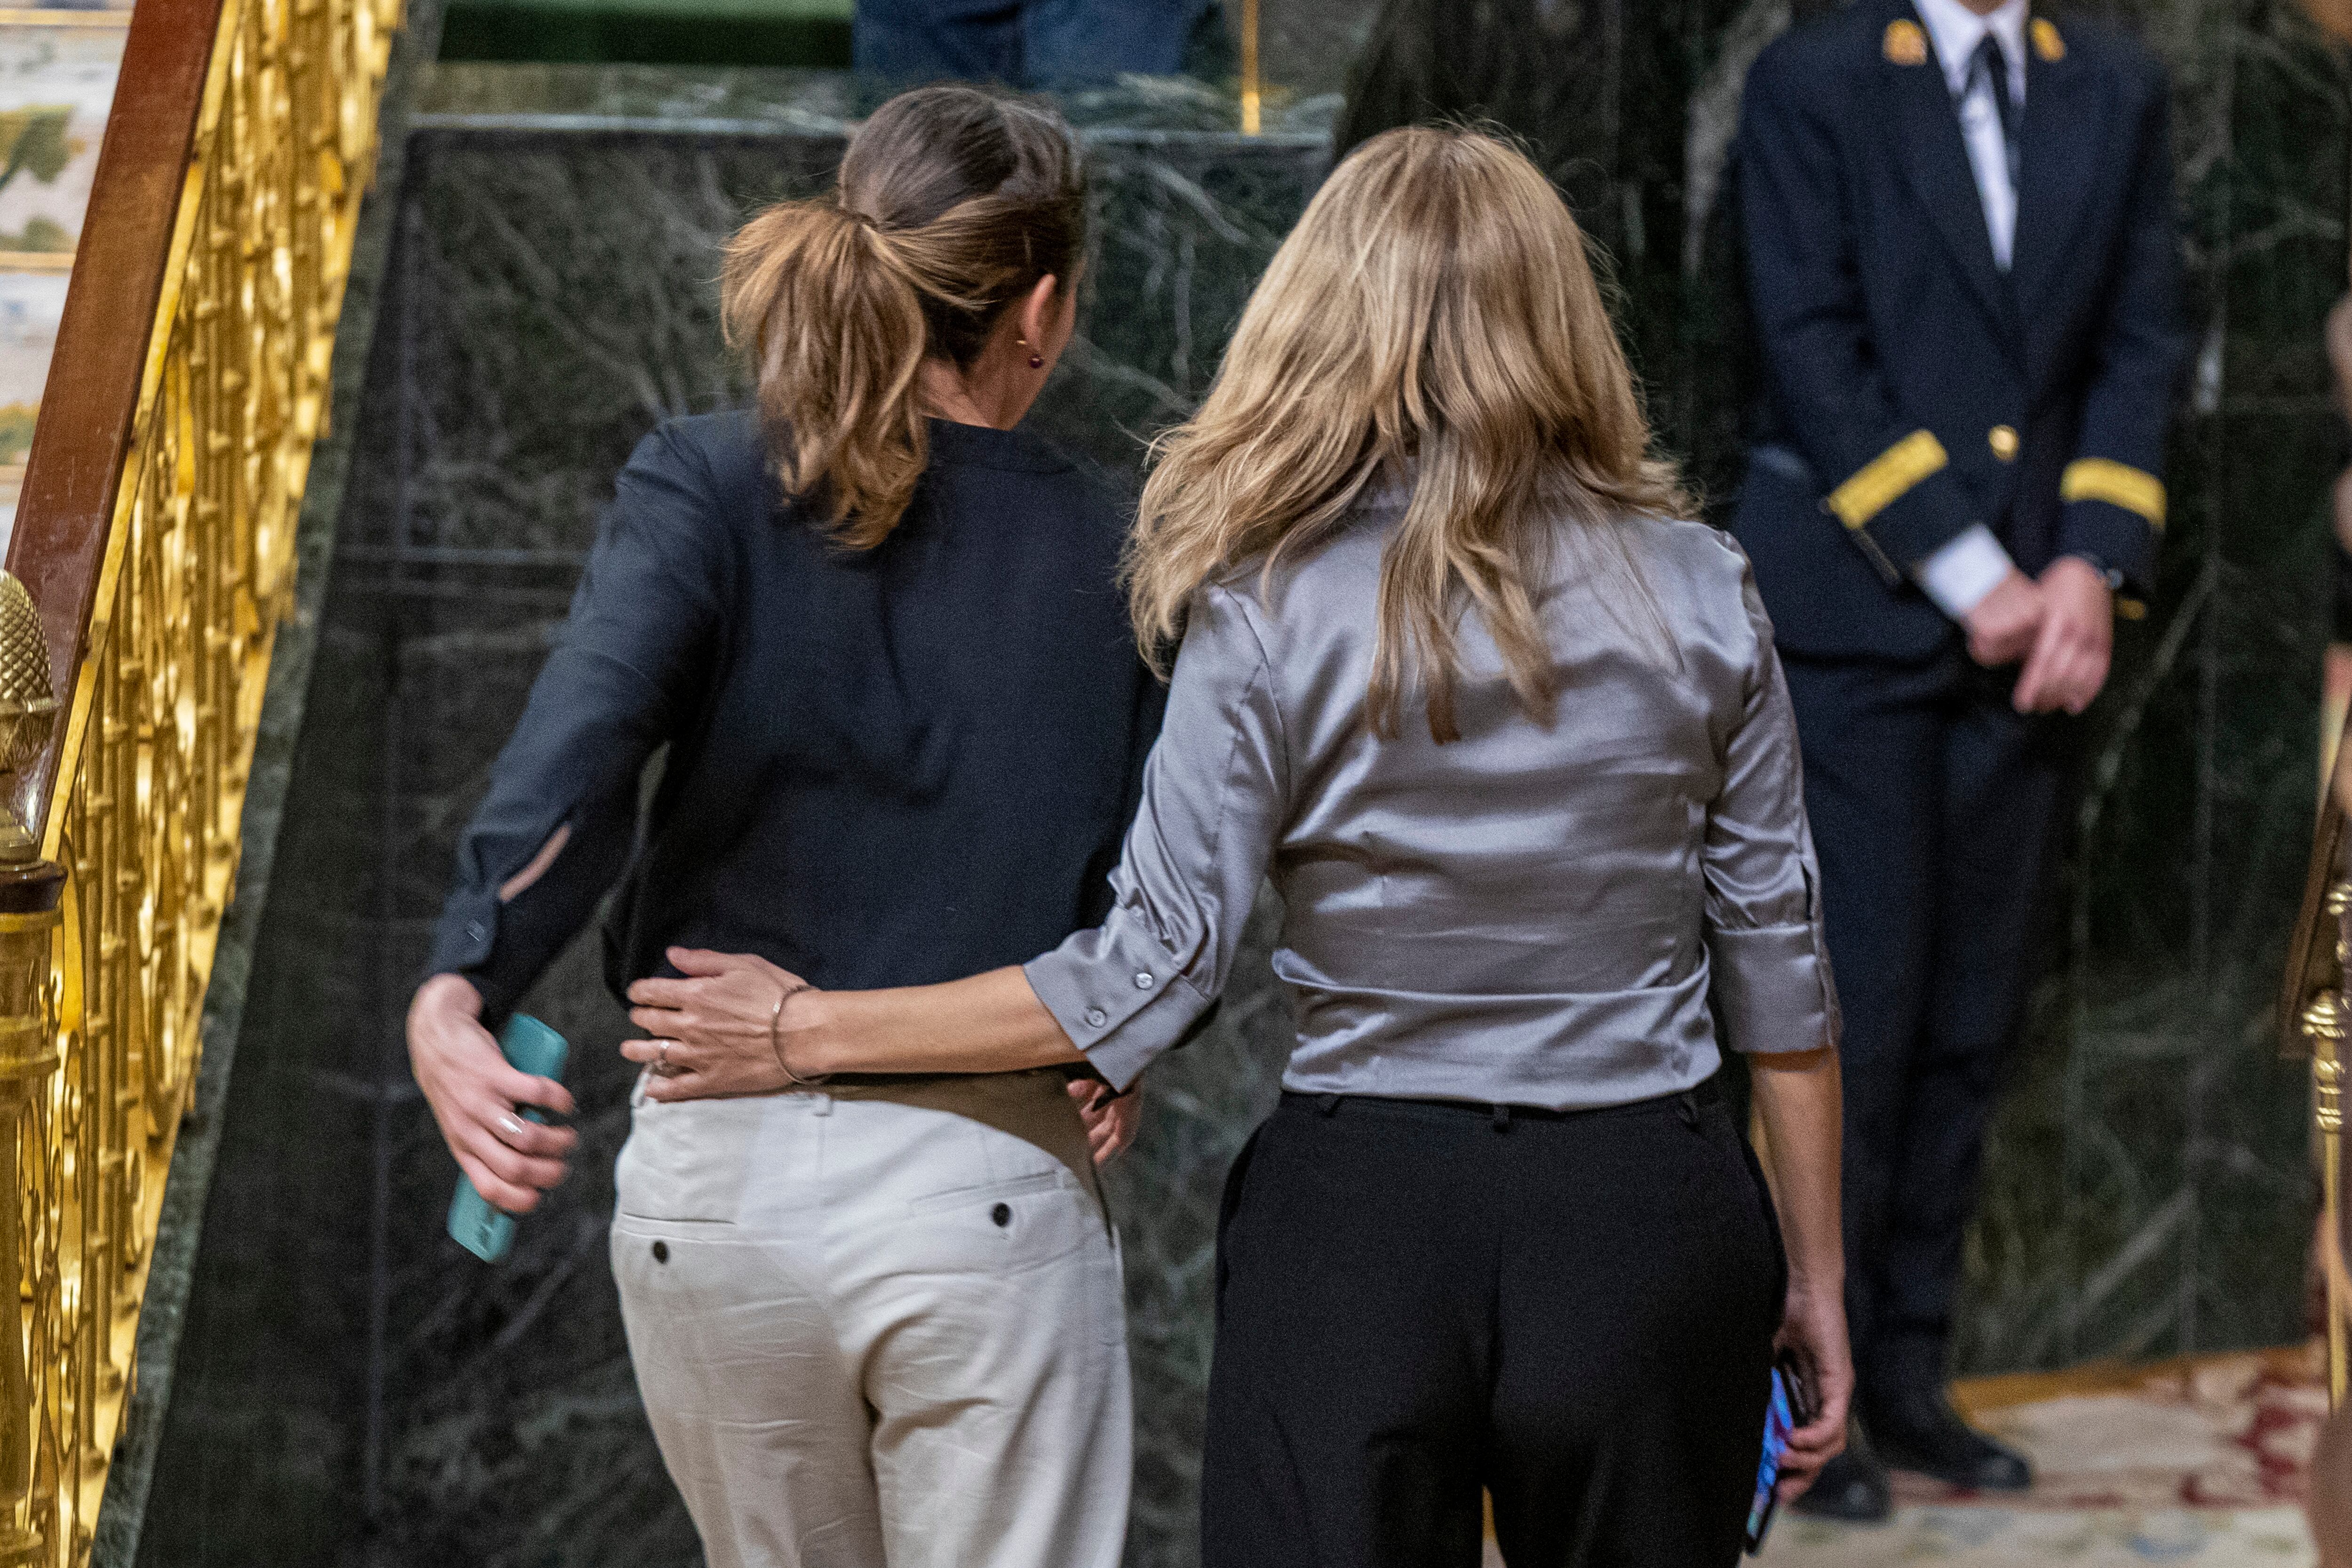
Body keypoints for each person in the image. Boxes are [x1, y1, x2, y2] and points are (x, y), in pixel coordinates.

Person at [625, 125, 1853, 1568]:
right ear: (1564, 318)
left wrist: (804, 1030)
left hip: (1360, 1225)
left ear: (1321, 317)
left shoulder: (1264, 602)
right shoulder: (1707, 591)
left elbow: (1151, 969)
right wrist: (1815, 1274)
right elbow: (1781, 975)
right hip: (1648, 1214)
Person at [405, 85, 1160, 1568]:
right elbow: (1163, 892)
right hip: (987, 1189)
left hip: (716, 1196)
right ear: (1044, 311)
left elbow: (577, 765)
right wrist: (1122, 1043)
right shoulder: (1126, 542)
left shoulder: (702, 478)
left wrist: (461, 986)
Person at [1732, 0, 2183, 1520]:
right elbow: (1806, 336)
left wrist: (2092, 566)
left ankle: (1913, 1377)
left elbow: (2141, 335)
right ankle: (1811, 1407)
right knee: (1853, 1024)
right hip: (1863, 627)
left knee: (1973, 1023)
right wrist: (1969, 568)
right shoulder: (1818, 74)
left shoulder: (2110, 77)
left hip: (2041, 646)